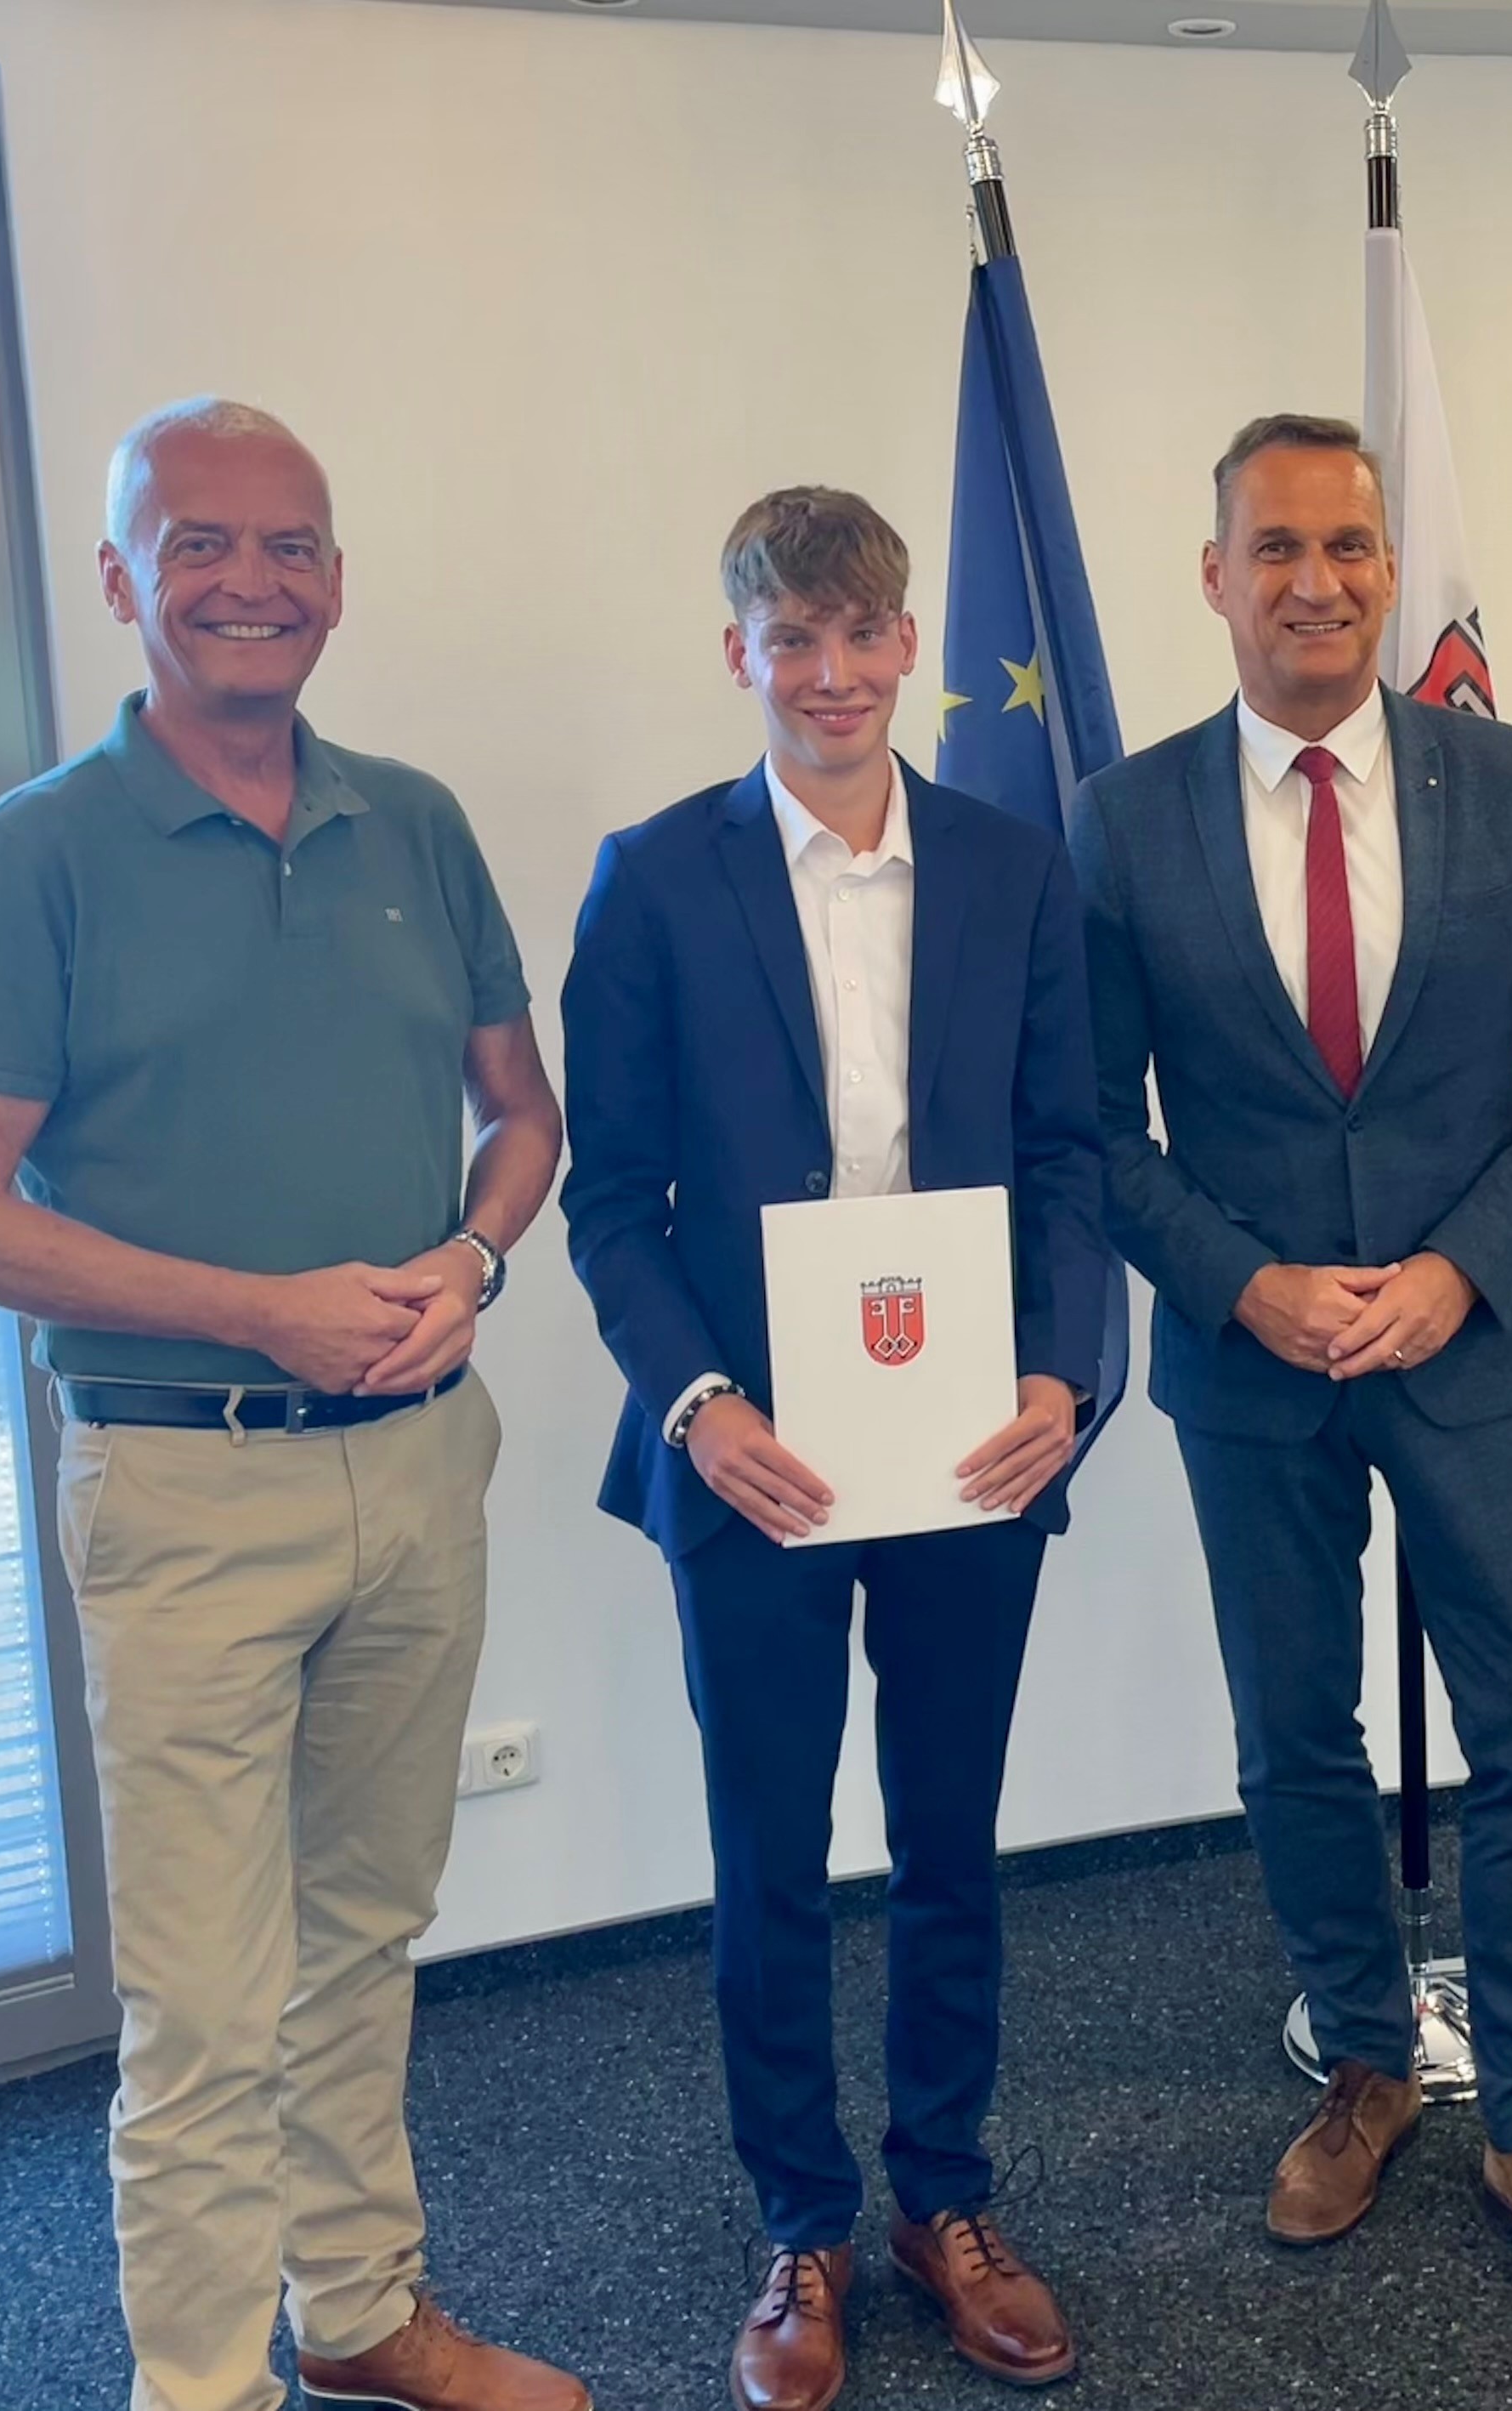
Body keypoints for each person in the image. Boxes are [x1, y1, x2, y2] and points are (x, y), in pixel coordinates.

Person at [0, 400, 576, 2411]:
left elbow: (520, 1121)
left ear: (338, 585)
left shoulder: (413, 823)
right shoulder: (39, 858)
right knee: (200, 2009)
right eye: (200, 545)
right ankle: (201, 2385)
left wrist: (468, 1264)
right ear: (122, 578)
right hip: (181, 1494)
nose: (251, 581)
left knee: (367, 1932)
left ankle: (356, 2307)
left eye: (289, 546)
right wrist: (254, 1310)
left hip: (416, 1466)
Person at [1067, 414, 1512, 2323]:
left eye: (1347, 545)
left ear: (1390, 569)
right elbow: (1086, 1129)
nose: (1313, 580)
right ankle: (1361, 2055)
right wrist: (1245, 1287)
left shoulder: (1506, 784)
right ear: (1214, 574)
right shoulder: (1122, 813)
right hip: (1253, 1367)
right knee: (1293, 1734)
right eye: (1275, 548)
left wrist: (1452, 1268)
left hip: (1467, 1340)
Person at [559, 487, 1104, 2409]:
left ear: (902, 647)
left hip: (966, 1443)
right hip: (755, 1456)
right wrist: (696, 1408)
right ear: (739, 656)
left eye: (866, 632)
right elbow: (614, 1200)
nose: (836, 671)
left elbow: (1069, 1156)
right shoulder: (650, 878)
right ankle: (798, 2217)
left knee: (950, 1840)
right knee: (768, 1854)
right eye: (792, 637)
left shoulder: (1010, 867)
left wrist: (1067, 1373)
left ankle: (942, 2194)